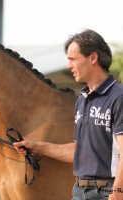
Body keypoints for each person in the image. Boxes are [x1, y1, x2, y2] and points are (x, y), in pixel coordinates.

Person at [13, 29, 123, 200]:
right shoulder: (82, 100)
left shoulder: (118, 97)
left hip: (108, 192)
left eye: (73, 59)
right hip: (79, 191)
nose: (68, 65)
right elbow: (79, 151)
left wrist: (118, 192)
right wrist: (37, 147)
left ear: (93, 58)